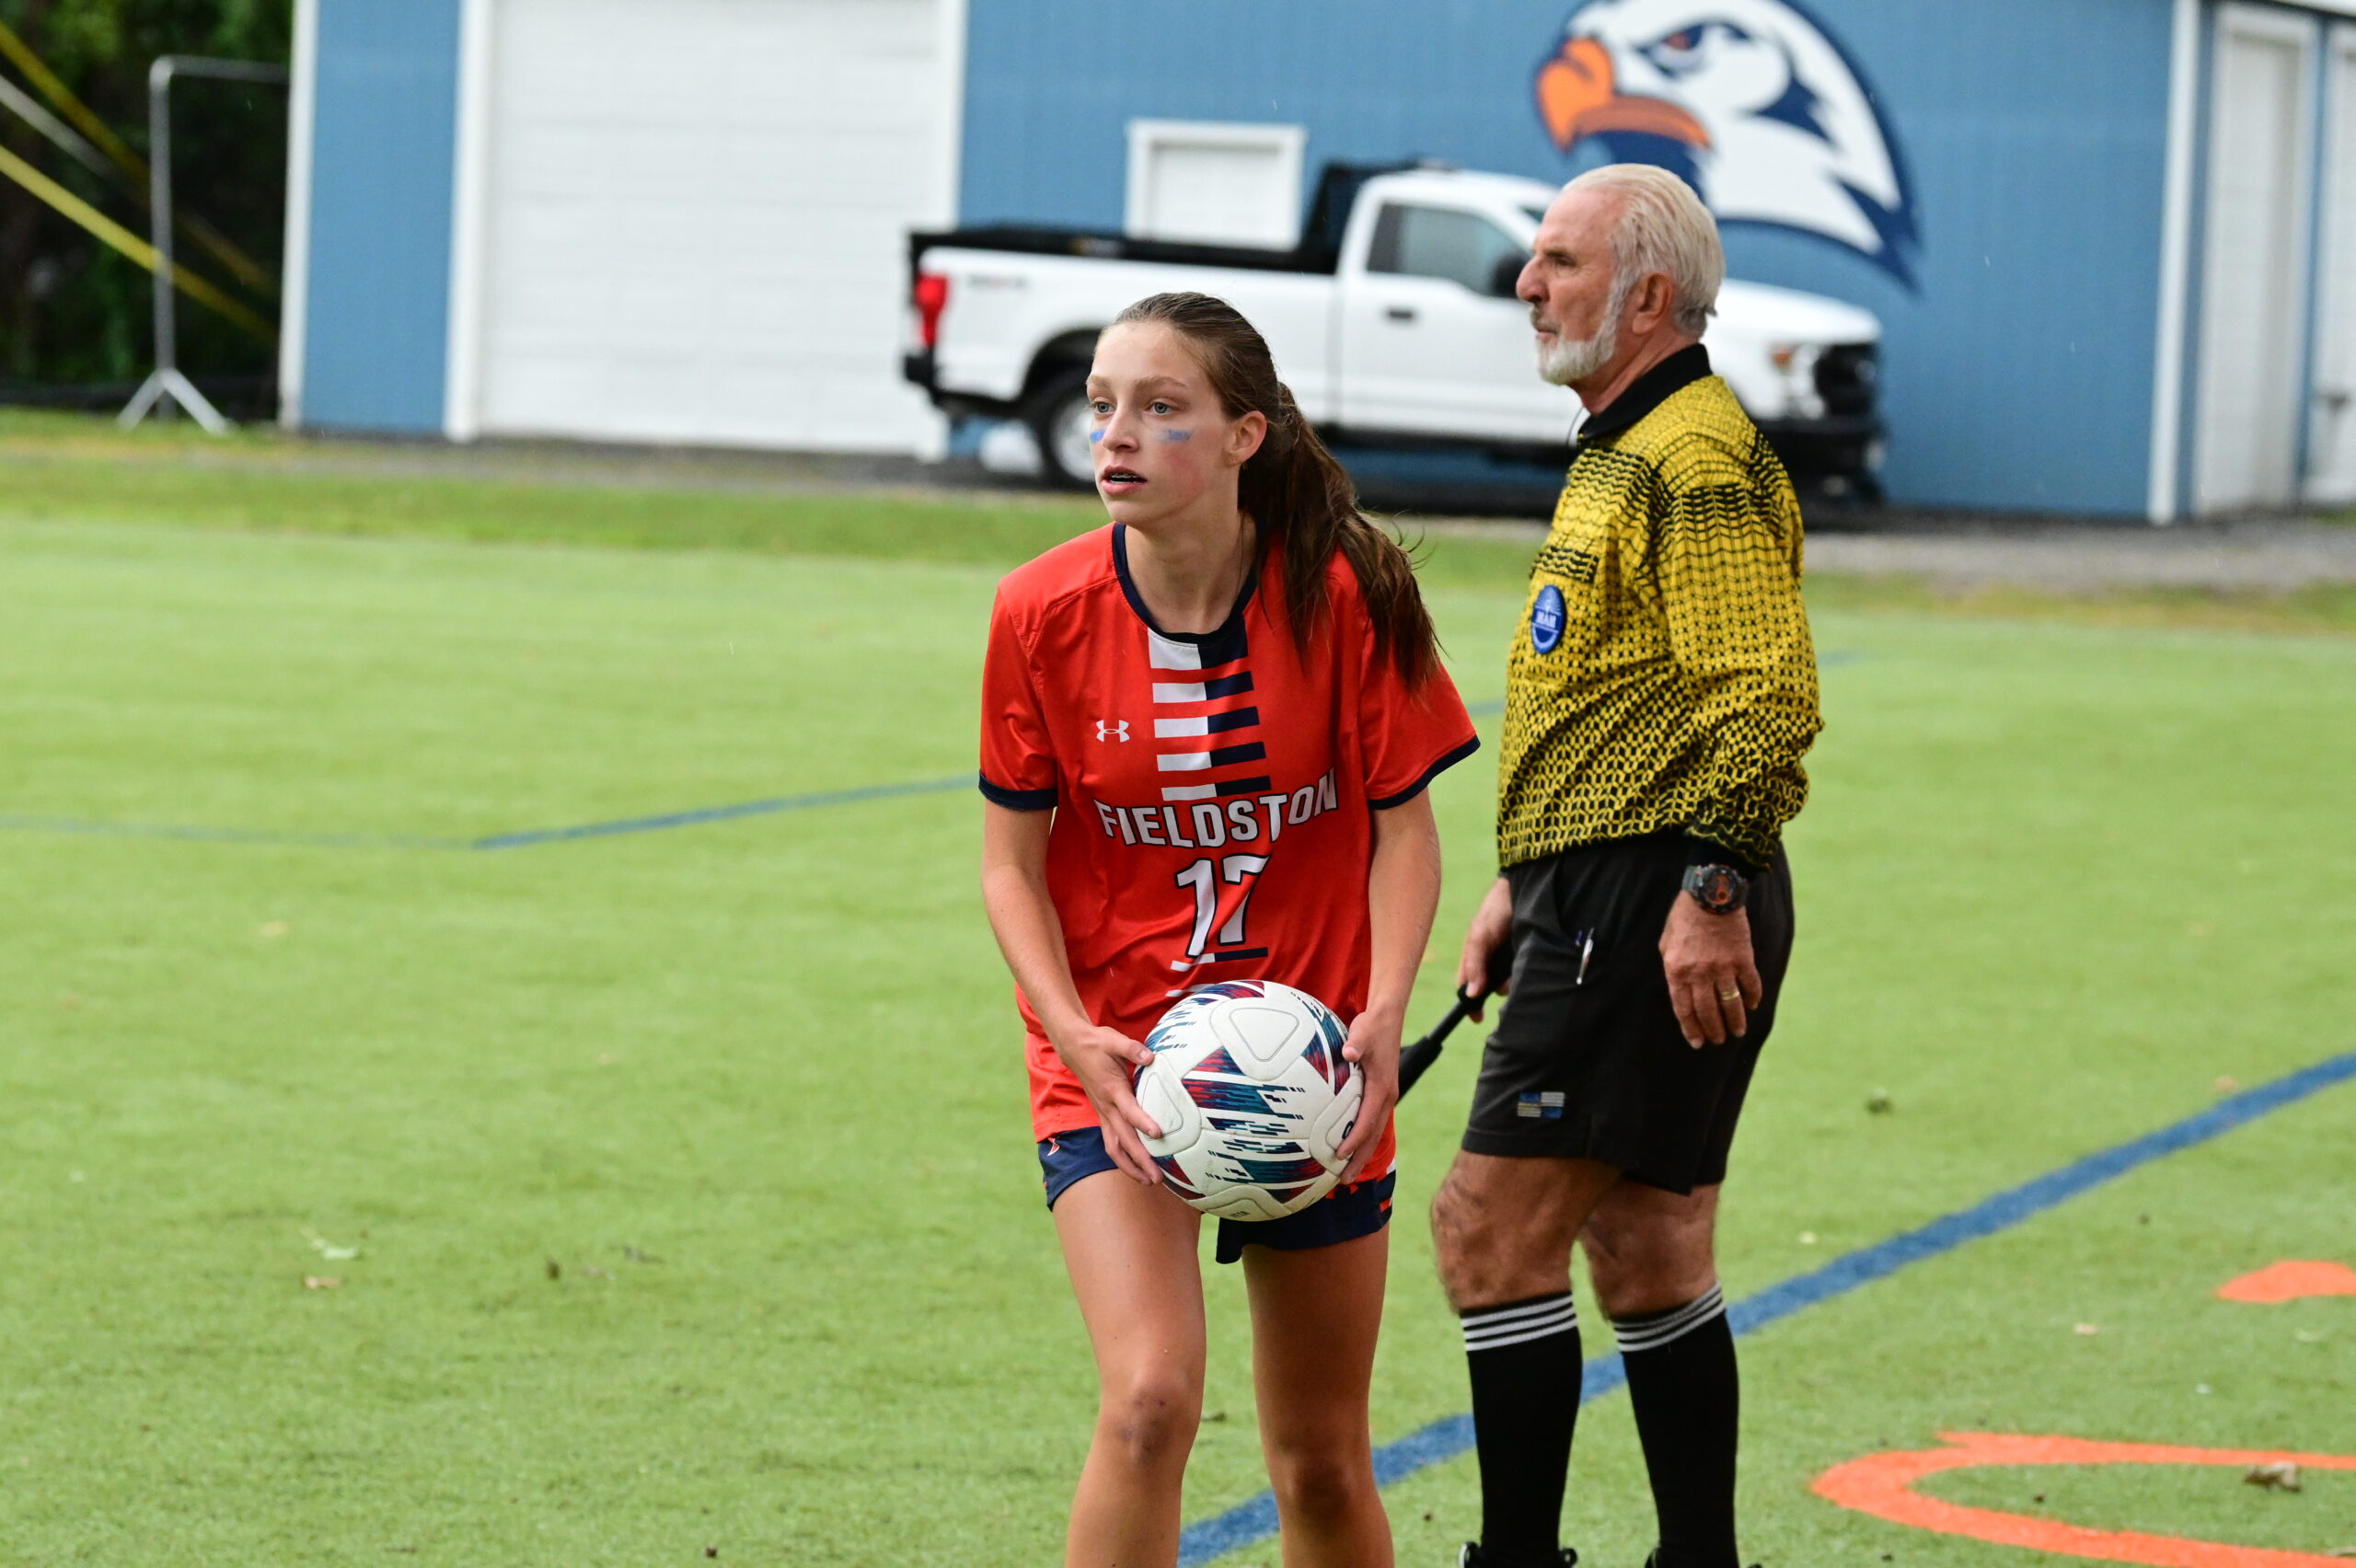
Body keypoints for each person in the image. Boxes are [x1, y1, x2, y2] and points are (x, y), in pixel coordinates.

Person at [976, 291, 1480, 1568]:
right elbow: (1009, 869)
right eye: (1103, 406)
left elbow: (1403, 831)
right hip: (1117, 1063)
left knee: (1318, 1459)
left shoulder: (1346, 594)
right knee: (1149, 1402)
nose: (1117, 436)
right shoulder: (1039, 613)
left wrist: (1379, 1016)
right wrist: (1075, 1035)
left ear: (1246, 433)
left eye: (1161, 408)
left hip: (1317, 1067)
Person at [1433, 166, 1823, 1568]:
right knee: (1651, 1249)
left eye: (1558, 261)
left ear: (1648, 296)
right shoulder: (1627, 439)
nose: (1527, 285)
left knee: (1489, 1233)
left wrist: (1708, 889)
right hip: (1599, 892)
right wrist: (1517, 886)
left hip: (1655, 896)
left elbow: (1764, 696)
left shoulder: (1692, 458)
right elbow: (1609, 693)